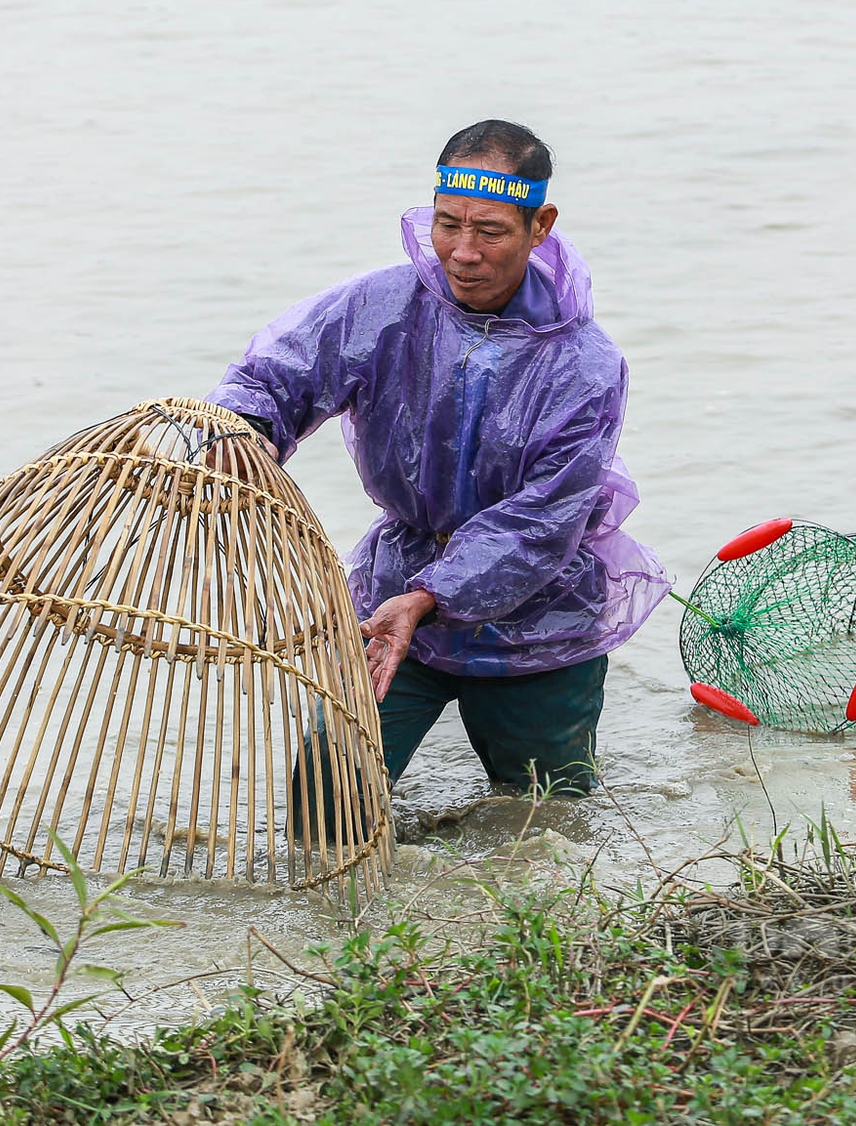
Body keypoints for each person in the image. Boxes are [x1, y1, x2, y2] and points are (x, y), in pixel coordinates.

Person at [209, 120, 668, 799]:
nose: (463, 252)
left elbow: (540, 522)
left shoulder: (586, 366)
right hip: (392, 603)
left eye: (490, 230)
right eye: (447, 223)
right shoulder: (383, 304)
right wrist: (240, 437)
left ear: (540, 225)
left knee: (544, 823)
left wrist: (431, 595)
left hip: (537, 625)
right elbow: (276, 376)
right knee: (326, 800)